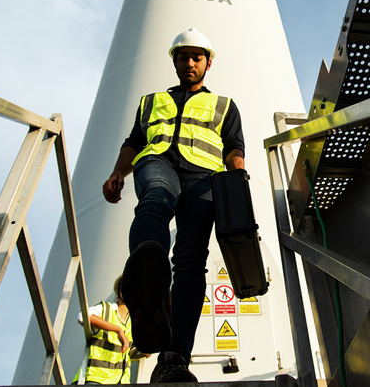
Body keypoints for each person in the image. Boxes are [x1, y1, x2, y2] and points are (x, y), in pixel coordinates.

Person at [101, 28, 245, 383]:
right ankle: (148, 276)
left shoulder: (224, 105)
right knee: (155, 199)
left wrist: (238, 181)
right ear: (175, 61)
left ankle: (174, 356)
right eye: (184, 57)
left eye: (197, 57)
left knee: (191, 258)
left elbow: (234, 147)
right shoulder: (150, 101)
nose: (190, 63)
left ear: (208, 63)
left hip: (205, 176)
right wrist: (118, 172)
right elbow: (135, 141)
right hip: (158, 161)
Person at [73, 275, 149, 385]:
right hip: (96, 379)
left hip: (120, 382)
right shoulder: (106, 309)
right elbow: (82, 317)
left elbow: (132, 352)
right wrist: (117, 330)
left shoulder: (132, 322)